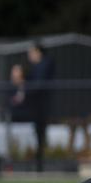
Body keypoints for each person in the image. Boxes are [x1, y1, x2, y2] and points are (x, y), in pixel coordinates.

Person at [10, 42, 55, 172]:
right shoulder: (36, 67)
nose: (30, 55)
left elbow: (37, 85)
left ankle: (39, 165)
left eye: (32, 52)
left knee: (40, 134)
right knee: (37, 134)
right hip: (35, 107)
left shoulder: (44, 65)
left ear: (38, 52)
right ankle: (37, 164)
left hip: (40, 106)